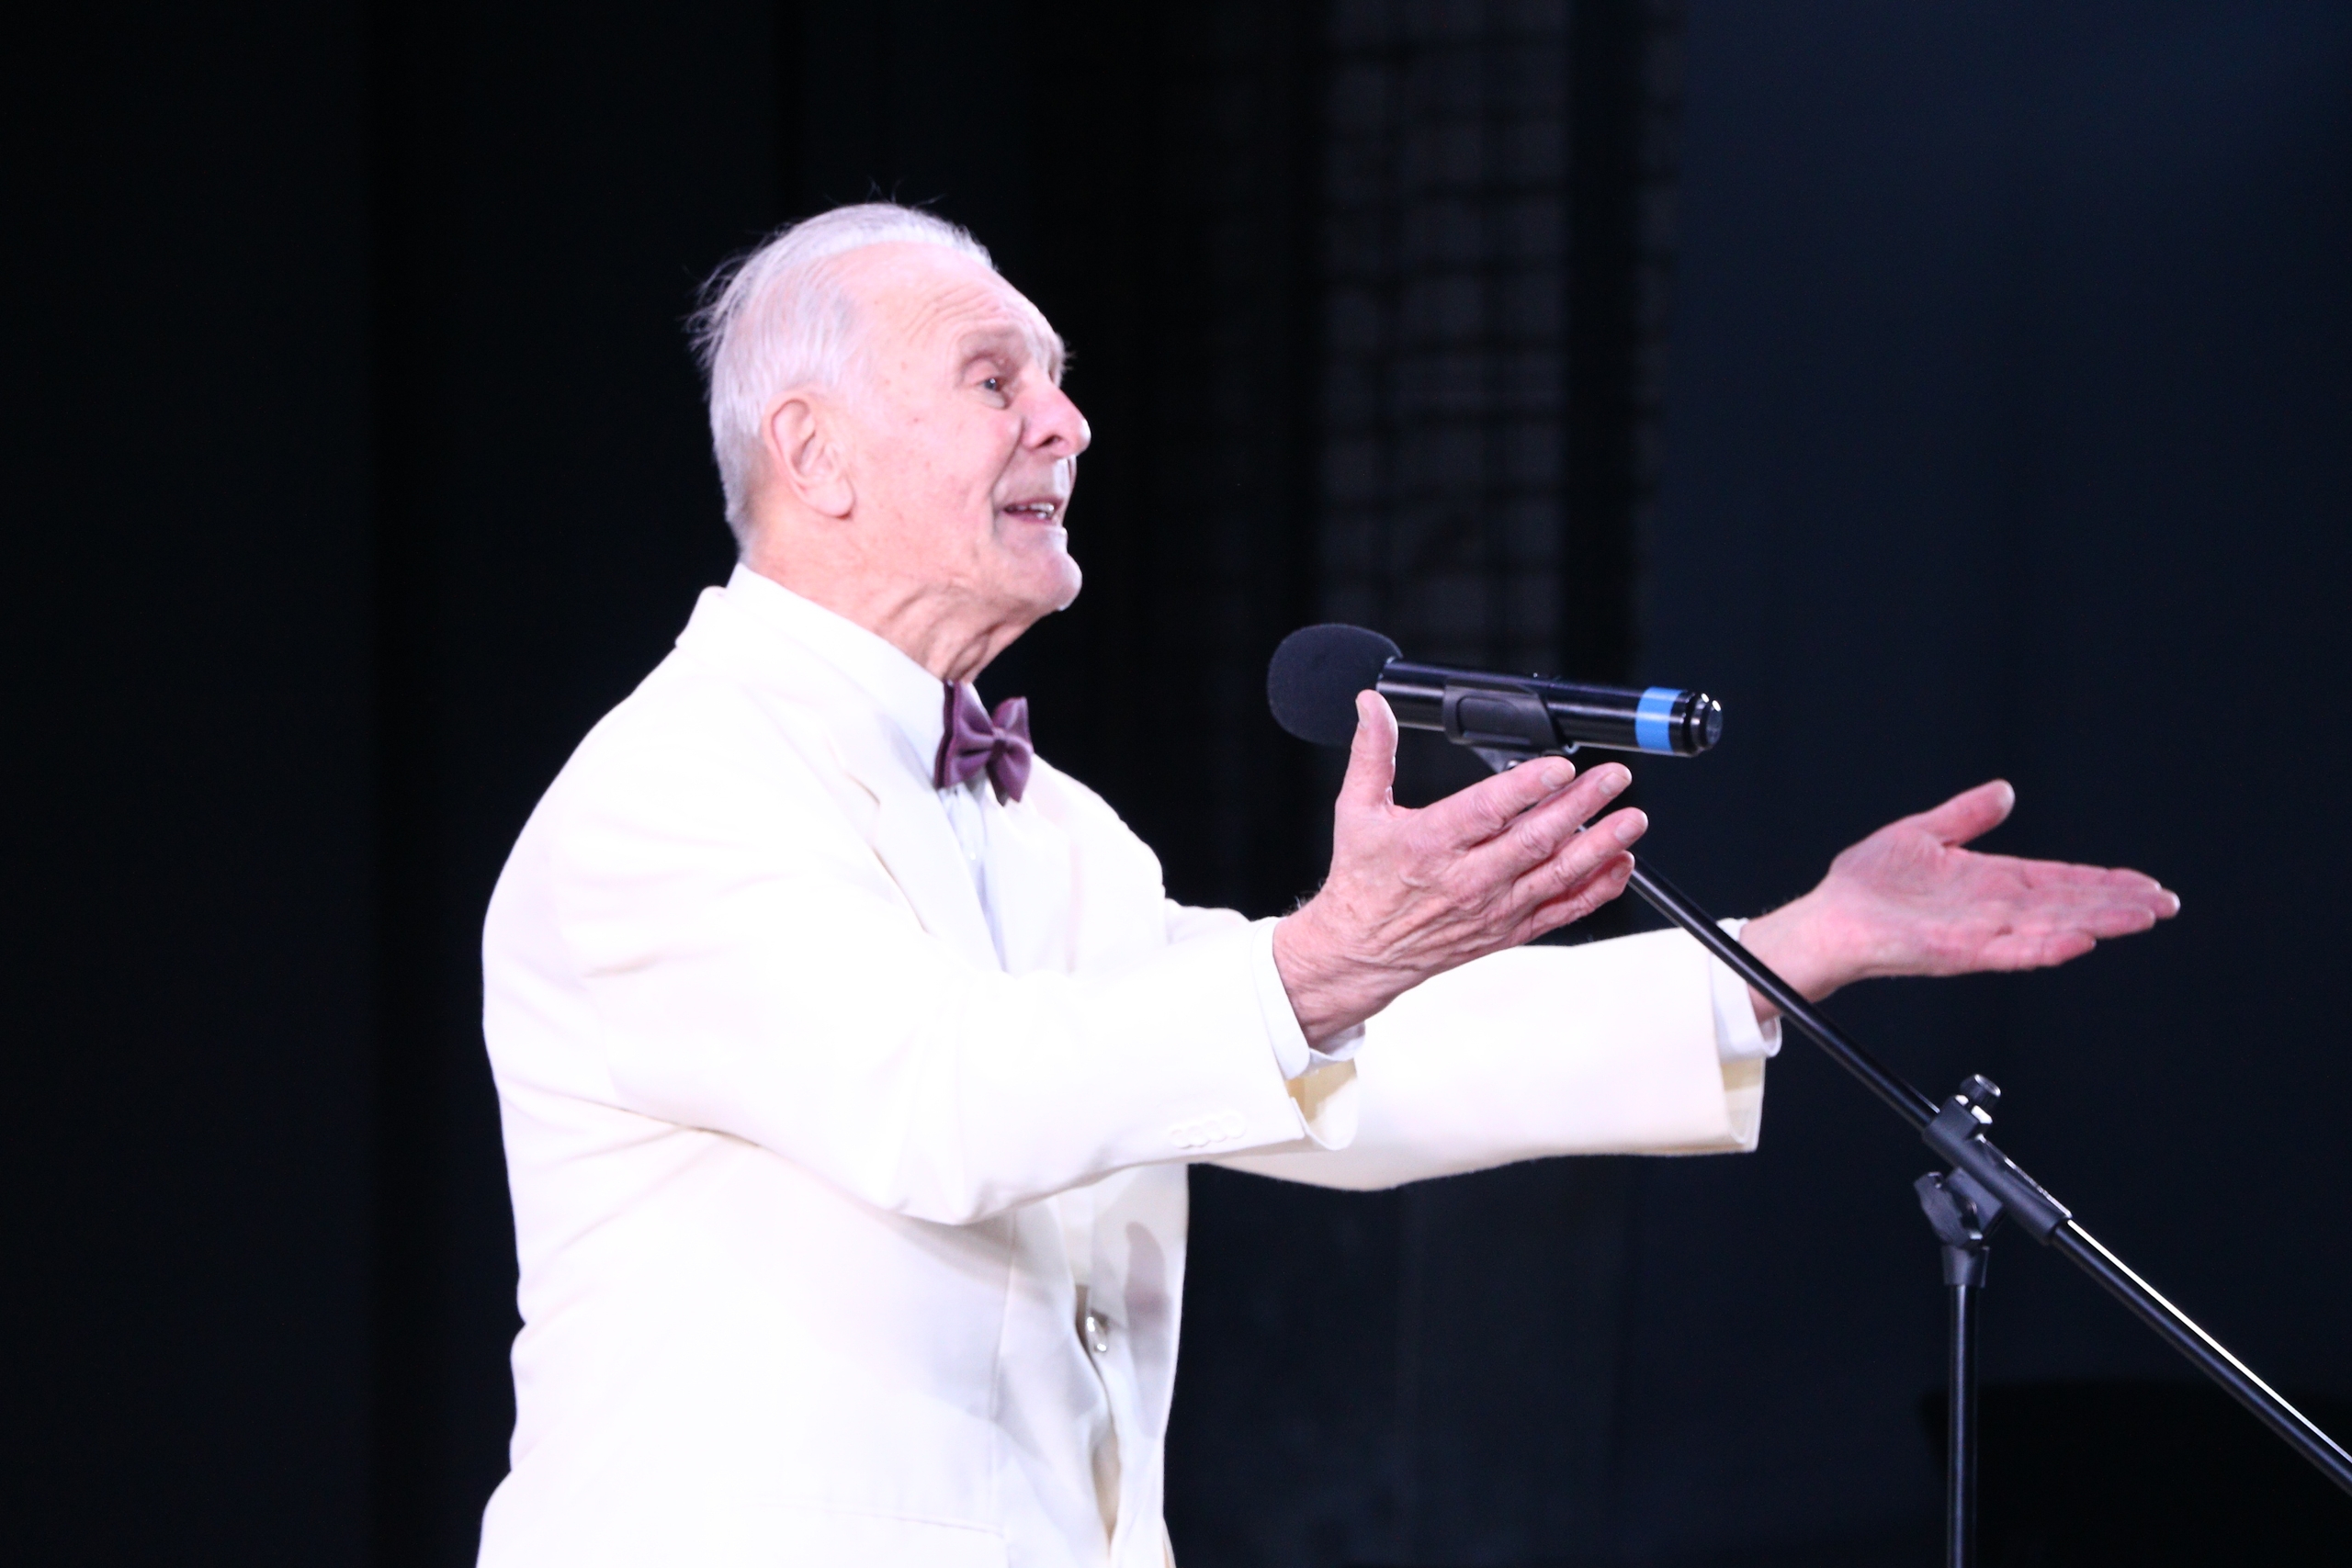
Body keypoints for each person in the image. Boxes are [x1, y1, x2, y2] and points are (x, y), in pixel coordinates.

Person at [474, 204, 2176, 1567]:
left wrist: (1801, 944)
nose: (1068, 421)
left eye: (1058, 378)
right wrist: (1319, 964)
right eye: (997, 380)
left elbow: (1333, 1076)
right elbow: (938, 1103)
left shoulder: (1052, 830)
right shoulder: (671, 792)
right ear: (817, 453)